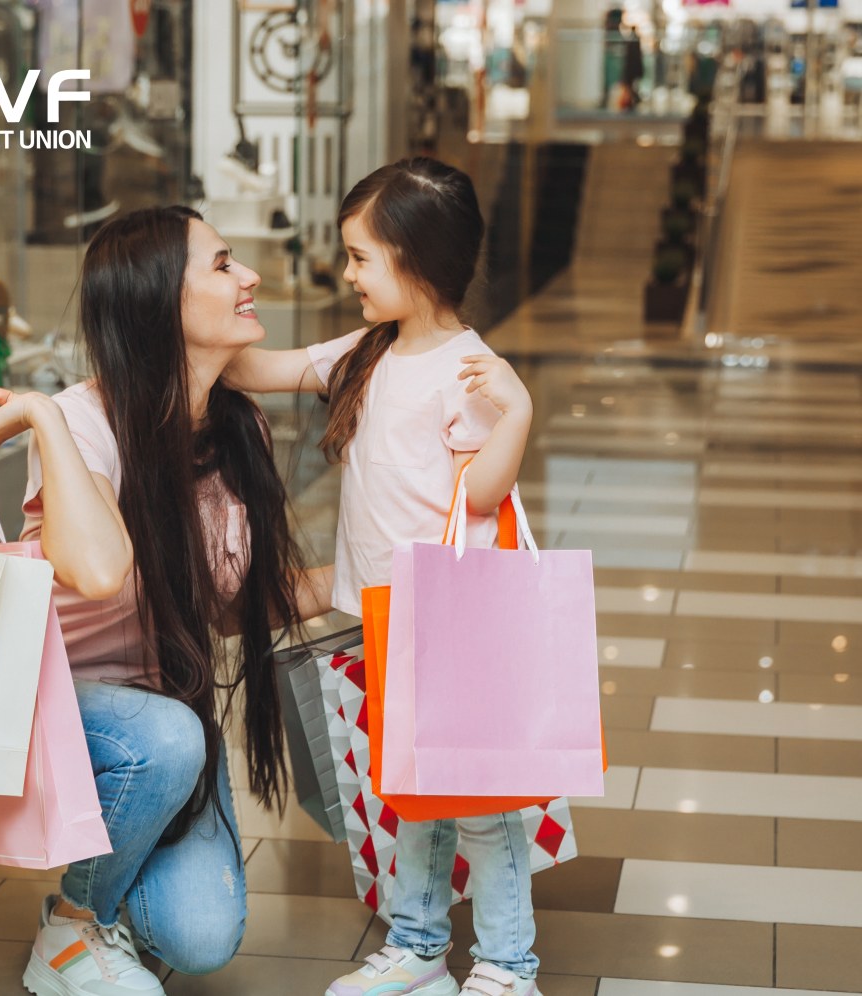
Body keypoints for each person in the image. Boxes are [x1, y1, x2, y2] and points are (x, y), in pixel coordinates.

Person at [0, 206, 333, 996]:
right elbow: (96, 571)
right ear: (162, 302)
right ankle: (73, 929)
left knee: (202, 937)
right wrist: (46, 415)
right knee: (169, 735)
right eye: (223, 265)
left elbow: (227, 611)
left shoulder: (237, 427)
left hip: (159, 723)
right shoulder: (83, 424)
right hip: (55, 711)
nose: (249, 275)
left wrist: (365, 575)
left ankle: (109, 903)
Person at [224, 157, 539, 996]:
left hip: (452, 623)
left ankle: (509, 966)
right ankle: (419, 945)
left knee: (478, 800)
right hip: (383, 620)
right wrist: (195, 320)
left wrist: (519, 413)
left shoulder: (469, 370)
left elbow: (481, 492)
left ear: (418, 258)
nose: (349, 272)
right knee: (409, 790)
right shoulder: (367, 351)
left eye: (362, 257)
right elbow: (263, 371)